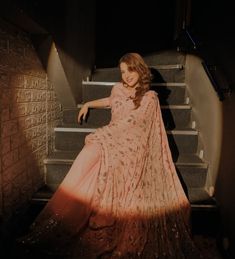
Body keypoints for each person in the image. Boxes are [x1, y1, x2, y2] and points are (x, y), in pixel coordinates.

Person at [17, 53, 202, 258]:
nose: (127, 75)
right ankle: (64, 216)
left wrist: (112, 138)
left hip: (132, 146)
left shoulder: (150, 98)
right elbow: (110, 100)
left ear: (139, 69)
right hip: (111, 138)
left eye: (130, 70)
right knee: (89, 153)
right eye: (123, 71)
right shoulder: (117, 89)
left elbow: (141, 130)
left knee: (106, 155)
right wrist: (88, 104)